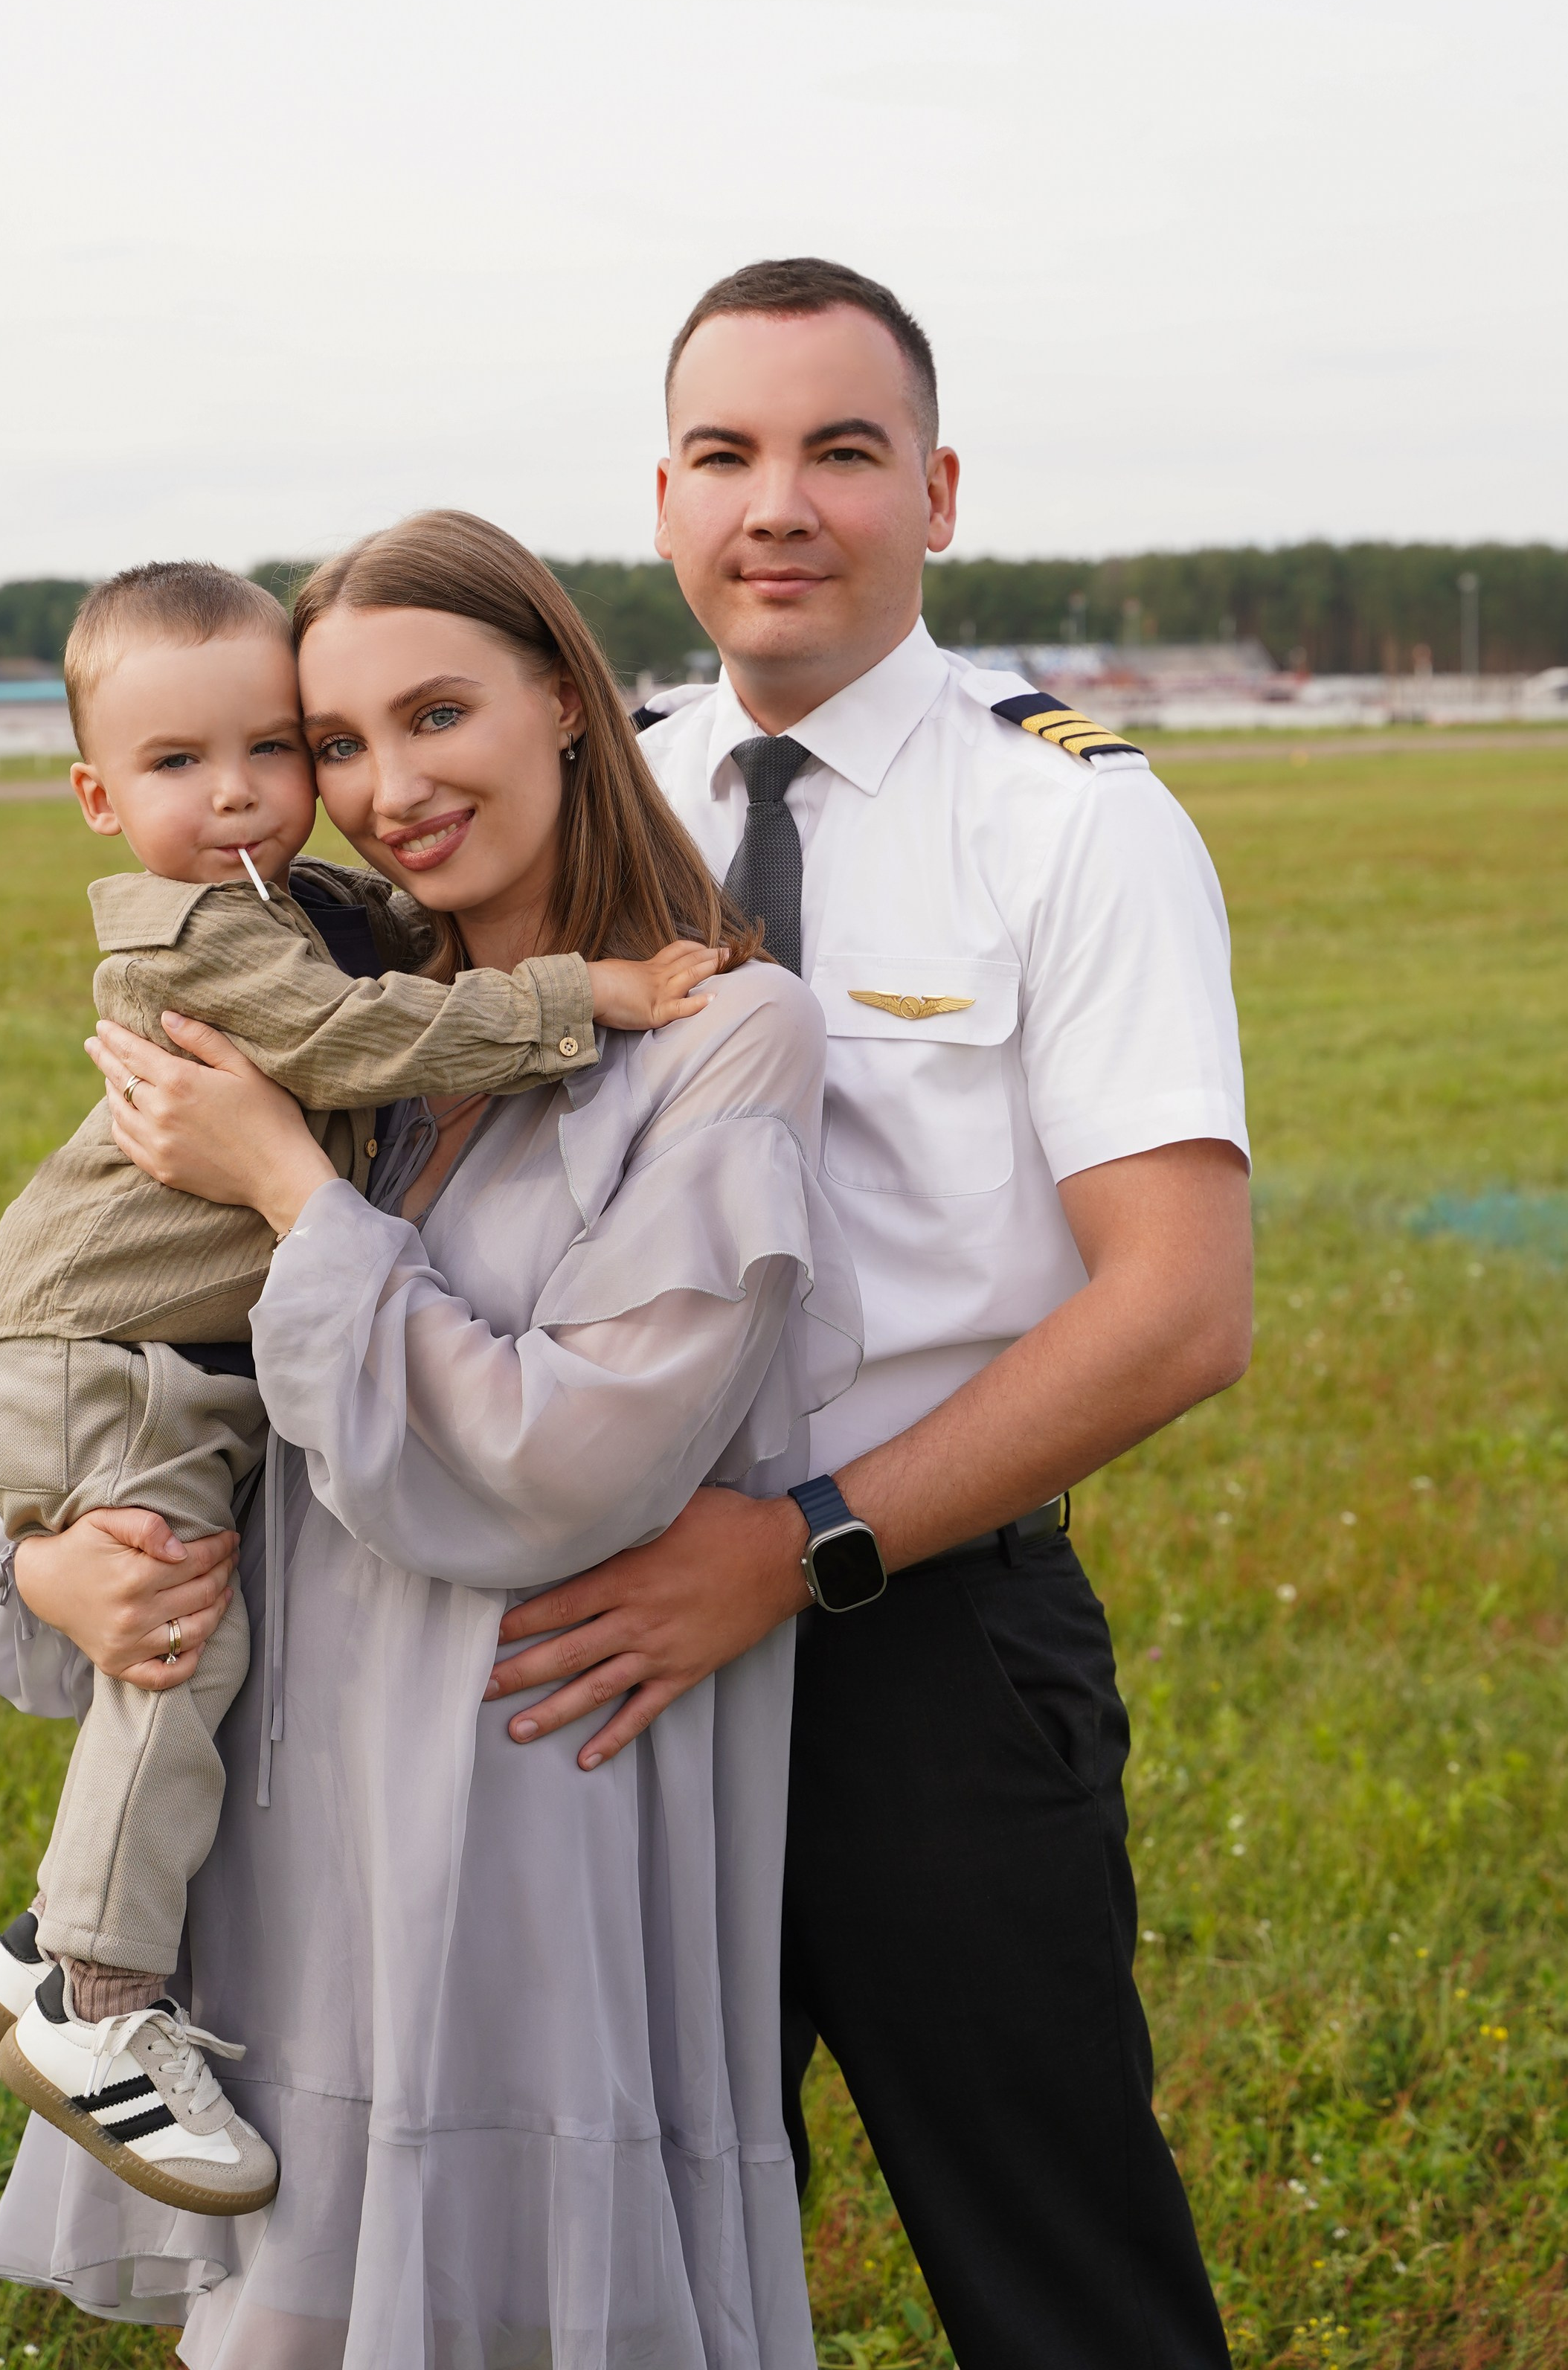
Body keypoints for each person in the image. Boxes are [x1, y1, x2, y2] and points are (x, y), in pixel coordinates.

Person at [0, 510, 861, 2368]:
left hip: (523, 1809)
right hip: (294, 1836)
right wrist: (41, 1558)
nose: (379, 789)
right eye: (336, 741)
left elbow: (563, 1461)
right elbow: (148, 1365)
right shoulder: (337, 1029)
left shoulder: (724, 1036)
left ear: (562, 698)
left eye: (432, 713)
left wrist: (290, 1187)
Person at [483, 259, 1253, 2370]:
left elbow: (1178, 1309)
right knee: (633, 2277)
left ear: (934, 489)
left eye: (839, 451)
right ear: (660, 499)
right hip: (609, 1637)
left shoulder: (1070, 816)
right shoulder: (584, 806)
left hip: (919, 1644)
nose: (781, 505)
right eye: (727, 453)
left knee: (1059, 2270)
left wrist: (800, 1540)